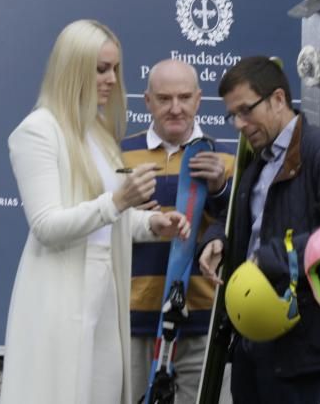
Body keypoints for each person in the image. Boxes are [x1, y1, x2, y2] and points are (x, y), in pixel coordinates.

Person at [0, 20, 189, 404]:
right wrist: (120, 200)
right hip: (61, 293)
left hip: (106, 290)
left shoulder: (98, 134)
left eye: (115, 69)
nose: (111, 79)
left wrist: (153, 223)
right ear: (73, 68)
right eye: (101, 68)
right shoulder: (38, 131)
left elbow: (106, 222)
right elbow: (47, 225)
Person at [199, 56, 320, 404]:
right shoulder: (260, 160)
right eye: (231, 115)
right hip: (255, 330)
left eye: (246, 110)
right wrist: (217, 238)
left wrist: (272, 258)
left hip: (298, 334)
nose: (238, 123)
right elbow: (245, 220)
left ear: (278, 99)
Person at [121, 59, 235, 403]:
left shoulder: (225, 159)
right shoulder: (120, 154)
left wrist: (219, 191)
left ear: (199, 100)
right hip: (132, 320)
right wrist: (125, 209)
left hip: (201, 320)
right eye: (164, 98)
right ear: (147, 101)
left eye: (184, 98)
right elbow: (98, 223)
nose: (175, 108)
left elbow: (240, 227)